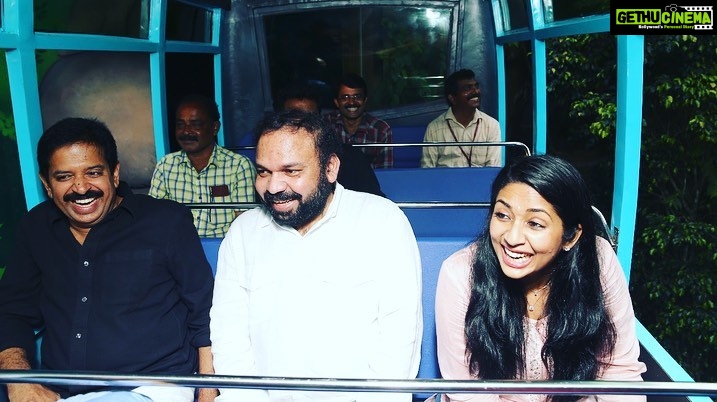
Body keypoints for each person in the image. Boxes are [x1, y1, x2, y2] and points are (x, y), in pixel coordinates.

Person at [210, 110, 422, 401]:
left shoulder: (382, 222)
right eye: (263, 172)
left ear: (330, 168)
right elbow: (229, 338)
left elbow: (398, 342)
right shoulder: (243, 233)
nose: (273, 187)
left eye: (291, 171)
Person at [0, 117, 215, 402]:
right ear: (47, 185)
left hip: (153, 387)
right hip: (60, 393)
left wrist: (208, 393)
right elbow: (12, 312)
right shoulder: (35, 228)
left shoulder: (166, 222)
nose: (80, 188)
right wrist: (19, 381)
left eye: (93, 173)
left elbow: (205, 313)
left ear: (114, 174)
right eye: (64, 177)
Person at [434, 154, 646, 402]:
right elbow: (467, 394)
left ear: (571, 237)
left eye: (535, 224)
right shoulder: (461, 274)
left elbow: (619, 372)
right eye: (503, 215)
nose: (512, 238)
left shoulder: (598, 262)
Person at [149, 94, 256, 237]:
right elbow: (154, 217)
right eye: (180, 125)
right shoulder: (166, 165)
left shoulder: (239, 166)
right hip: (178, 247)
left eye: (195, 125)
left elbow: (244, 223)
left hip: (221, 247)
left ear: (214, 128)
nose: (186, 131)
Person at [276, 82, 385, 197]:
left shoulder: (351, 158)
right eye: (294, 118)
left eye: (310, 118)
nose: (302, 125)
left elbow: (375, 201)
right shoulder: (271, 163)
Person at [421, 69, 502, 168]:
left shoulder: (492, 125)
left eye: (476, 86)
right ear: (452, 98)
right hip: (446, 178)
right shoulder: (434, 128)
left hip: (479, 178)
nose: (475, 91)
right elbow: (427, 170)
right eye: (467, 88)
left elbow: (493, 170)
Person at [324, 73, 394, 169]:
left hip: (368, 179)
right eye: (345, 97)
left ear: (365, 100)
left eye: (357, 97)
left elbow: (385, 173)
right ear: (336, 102)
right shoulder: (325, 125)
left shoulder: (381, 130)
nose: (351, 102)